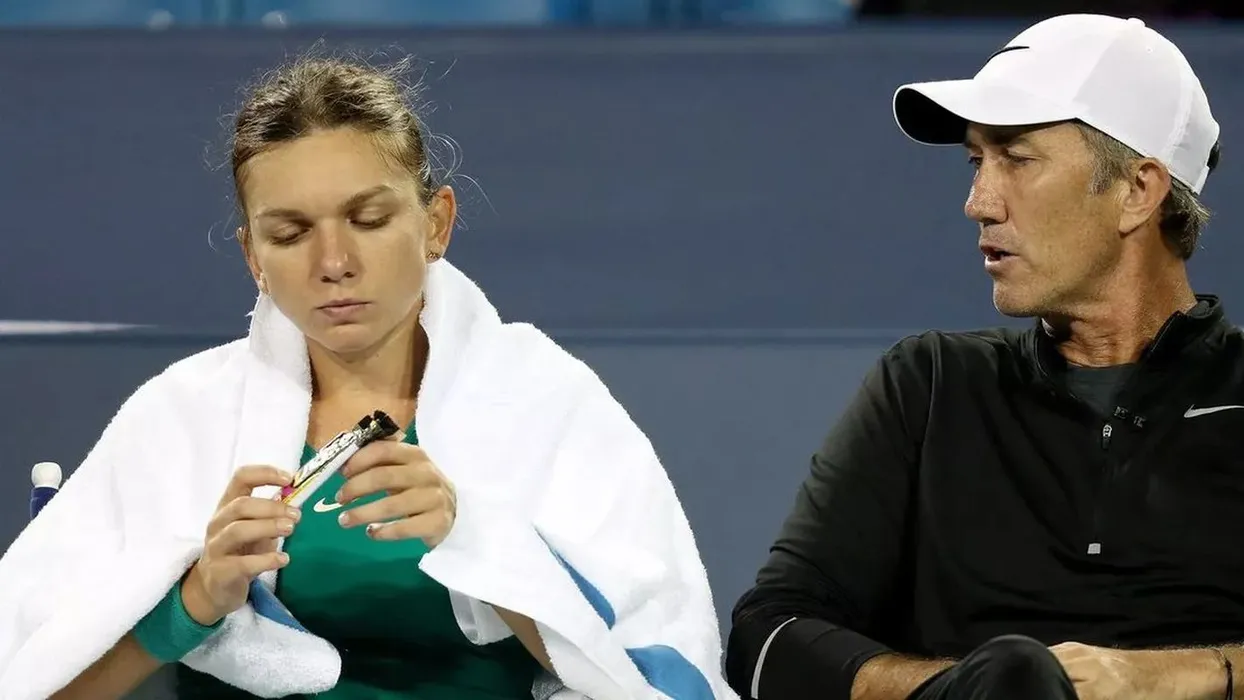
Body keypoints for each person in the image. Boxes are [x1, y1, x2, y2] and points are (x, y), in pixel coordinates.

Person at [0, 54, 732, 700]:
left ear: (436, 223)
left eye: (370, 219)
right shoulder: (181, 417)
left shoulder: (547, 404)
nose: (334, 263)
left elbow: (649, 674)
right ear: (254, 257)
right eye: (290, 233)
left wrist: (476, 538)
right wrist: (193, 601)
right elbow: (31, 678)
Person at [725, 13, 1239, 700]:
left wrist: (1182, 676)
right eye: (977, 162)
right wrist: (971, 689)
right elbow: (768, 639)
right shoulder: (930, 385)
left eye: (1017, 160)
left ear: (1137, 191)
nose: (979, 203)